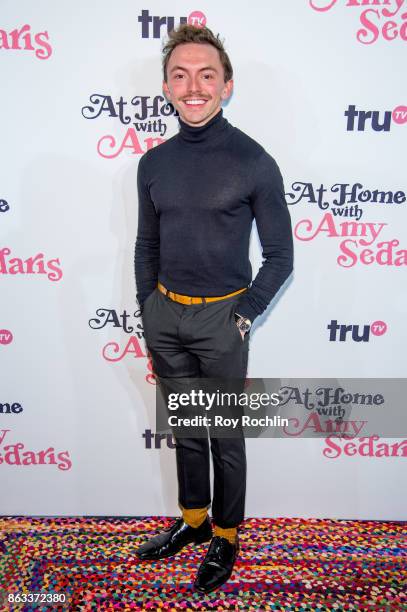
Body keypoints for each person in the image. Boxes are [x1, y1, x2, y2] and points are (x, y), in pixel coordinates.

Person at [134, 24, 293, 594]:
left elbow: (280, 256)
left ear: (227, 86)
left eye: (206, 75)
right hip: (166, 316)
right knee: (187, 428)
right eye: (180, 75)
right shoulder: (152, 163)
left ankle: (226, 535)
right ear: (167, 86)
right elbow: (146, 244)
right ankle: (194, 522)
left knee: (223, 436)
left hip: (224, 319)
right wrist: (146, 307)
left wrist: (244, 313)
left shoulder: (254, 161)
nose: (192, 85)